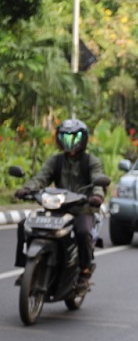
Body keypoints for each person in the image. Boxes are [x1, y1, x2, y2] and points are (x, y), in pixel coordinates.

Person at [15, 119, 105, 279]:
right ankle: (26, 267)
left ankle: (85, 269)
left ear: (83, 139)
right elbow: (41, 177)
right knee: (25, 225)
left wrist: (97, 195)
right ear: (59, 139)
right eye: (65, 137)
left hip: (81, 209)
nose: (70, 142)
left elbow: (97, 178)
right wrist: (26, 189)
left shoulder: (91, 161)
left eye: (75, 138)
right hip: (57, 208)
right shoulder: (55, 160)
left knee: (83, 232)